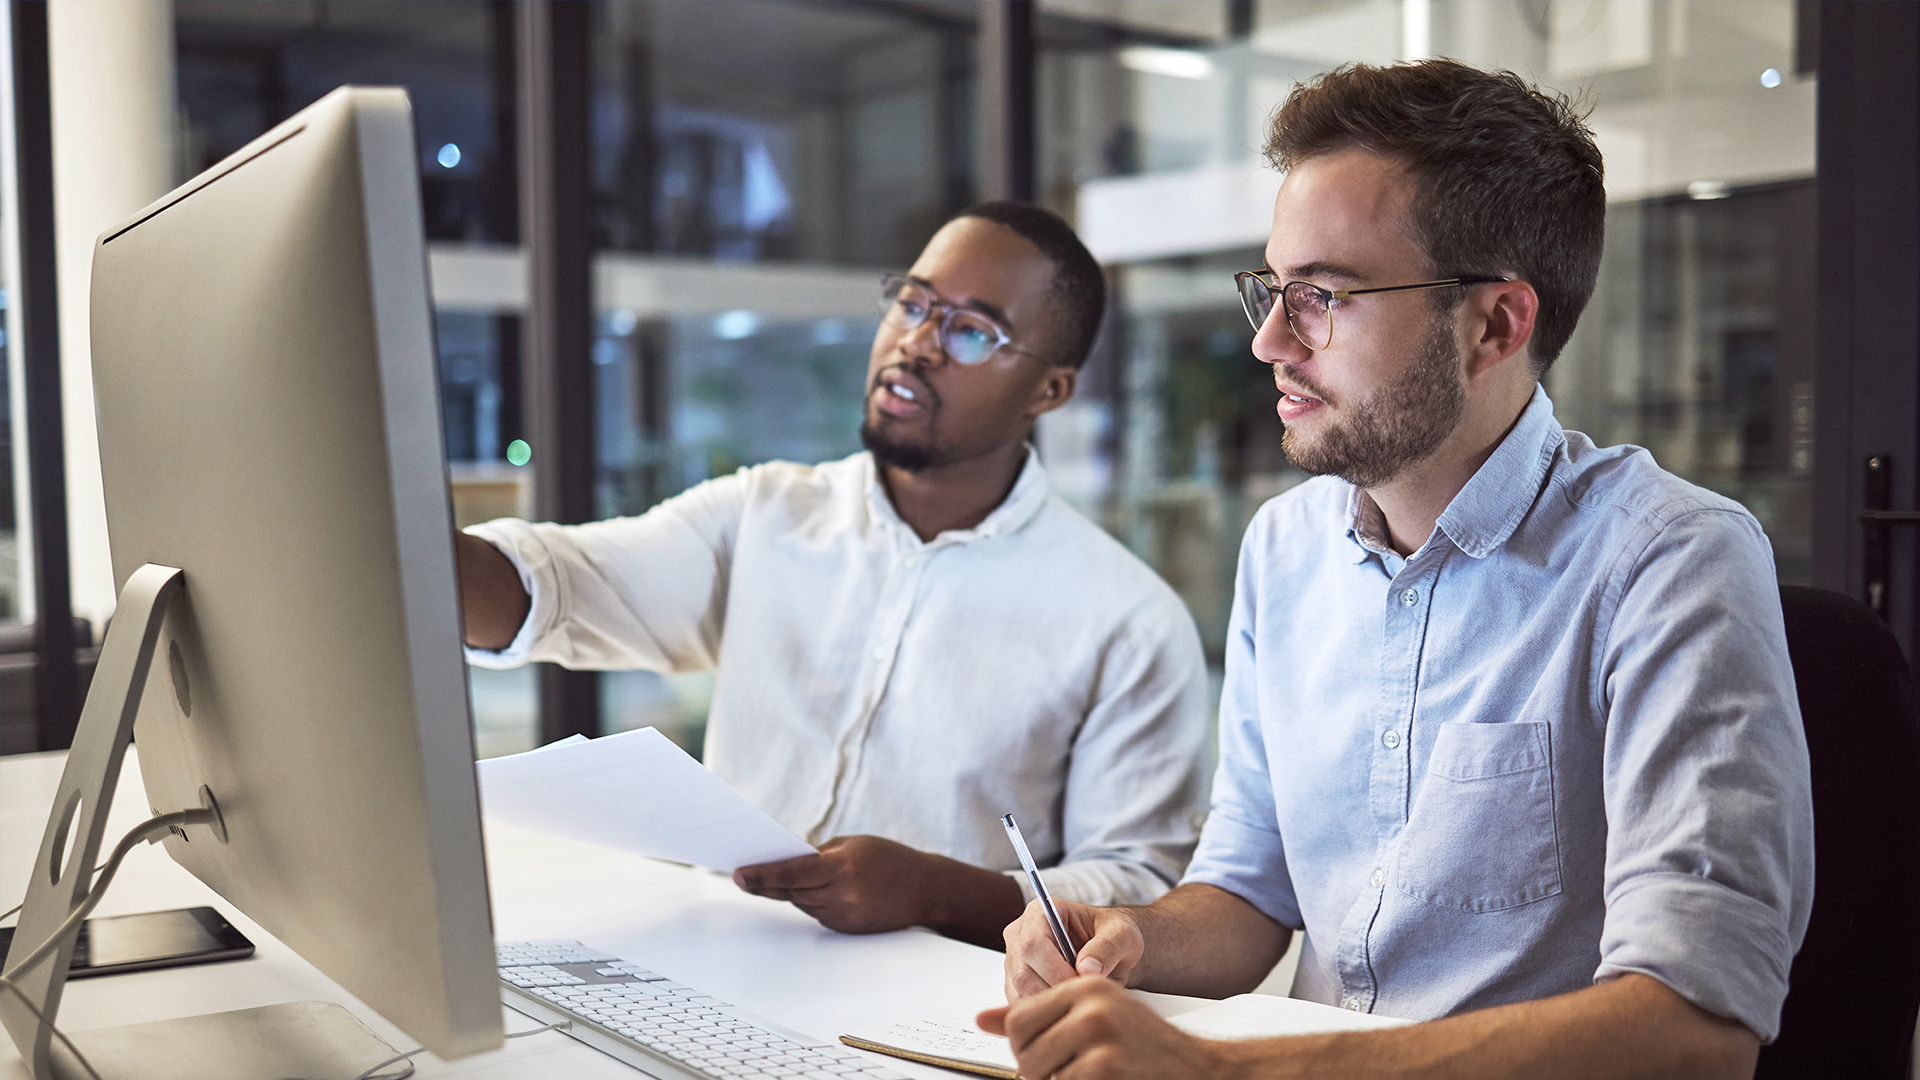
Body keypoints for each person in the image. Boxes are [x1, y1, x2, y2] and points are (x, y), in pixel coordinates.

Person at [990, 60, 1813, 1078]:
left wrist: (1227, 1075)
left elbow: (1696, 1029)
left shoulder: (1669, 561)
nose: (1268, 343)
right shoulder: (1285, 550)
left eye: (1323, 297)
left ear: (1496, 325)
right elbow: (1249, 897)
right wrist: (1125, 938)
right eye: (1274, 290)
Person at [457, 201, 1211, 948]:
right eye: (914, 303)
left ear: (1050, 391)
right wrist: (401, 535)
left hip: (940, 1008)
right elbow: (555, 588)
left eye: (972, 331)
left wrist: (937, 893)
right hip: (721, 956)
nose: (917, 343)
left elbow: (1138, 884)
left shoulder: (1128, 617)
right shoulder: (765, 513)